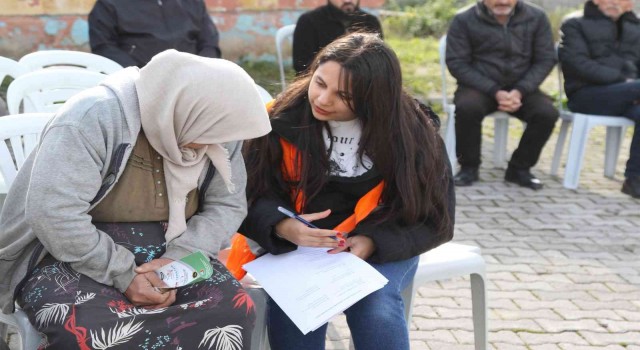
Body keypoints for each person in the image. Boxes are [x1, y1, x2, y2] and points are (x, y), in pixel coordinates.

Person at [0, 50, 271, 349]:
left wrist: (178, 258)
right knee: (92, 329)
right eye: (208, 135)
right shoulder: (94, 118)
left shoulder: (214, 127)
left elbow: (227, 204)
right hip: (71, 248)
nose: (212, 146)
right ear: (183, 109)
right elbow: (53, 213)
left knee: (231, 312)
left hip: (175, 244)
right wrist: (124, 275)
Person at [240, 33, 455, 350]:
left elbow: (436, 218)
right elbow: (246, 195)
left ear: (375, 99)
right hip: (297, 251)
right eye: (320, 82)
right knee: (295, 310)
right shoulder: (279, 120)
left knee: (376, 309)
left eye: (344, 95)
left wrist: (371, 241)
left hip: (382, 244)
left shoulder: (413, 135)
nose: (323, 99)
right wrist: (282, 226)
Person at [446, 0, 559, 190]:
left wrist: (519, 90)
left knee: (546, 113)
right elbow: (457, 62)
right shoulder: (463, 19)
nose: (503, 1)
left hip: (522, 88)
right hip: (479, 86)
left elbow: (545, 59)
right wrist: (494, 91)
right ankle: (469, 168)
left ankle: (519, 168)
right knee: (467, 108)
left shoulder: (537, 17)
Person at [559, 0, 640, 197]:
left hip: (630, 96)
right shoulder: (574, 24)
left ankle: (634, 180)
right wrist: (626, 82)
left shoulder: (636, 27)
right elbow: (577, 64)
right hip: (587, 95)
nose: (614, 2)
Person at [88, 0, 221, 68]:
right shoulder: (108, 4)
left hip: (193, 79)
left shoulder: (192, 2)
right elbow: (103, 46)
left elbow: (209, 42)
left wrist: (202, 68)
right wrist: (141, 74)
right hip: (137, 84)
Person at [292, 0, 383, 74]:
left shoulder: (370, 22)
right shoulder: (309, 21)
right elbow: (302, 67)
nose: (347, 0)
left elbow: (378, 62)